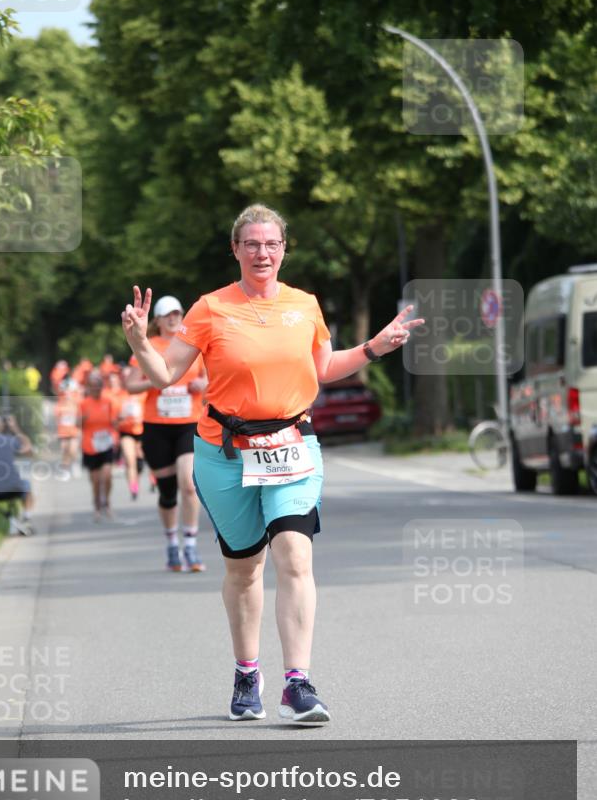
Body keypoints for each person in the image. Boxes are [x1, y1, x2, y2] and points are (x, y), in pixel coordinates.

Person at [121, 204, 423, 725]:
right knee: (244, 570)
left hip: (292, 446)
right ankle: (247, 673)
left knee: (295, 557)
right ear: (235, 250)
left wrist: (375, 347)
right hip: (226, 452)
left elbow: (324, 367)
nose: (263, 253)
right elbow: (164, 376)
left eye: (272, 244)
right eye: (252, 244)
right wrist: (138, 340)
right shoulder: (210, 308)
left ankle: (298, 684)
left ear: (284, 249)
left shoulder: (304, 305)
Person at [125, 296, 208, 572]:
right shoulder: (149, 346)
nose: (173, 318)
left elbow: (213, 380)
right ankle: (172, 545)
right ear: (157, 320)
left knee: (189, 483)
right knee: (168, 492)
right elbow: (130, 385)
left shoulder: (192, 345)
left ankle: (191, 544)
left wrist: (201, 384)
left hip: (189, 423)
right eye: (167, 315)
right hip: (157, 427)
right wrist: (157, 379)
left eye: (177, 313)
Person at [80, 370, 118, 520]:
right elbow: (77, 424)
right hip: (90, 446)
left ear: (102, 387)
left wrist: (117, 424)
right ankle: (96, 505)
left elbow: (114, 422)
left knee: (107, 476)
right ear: (88, 388)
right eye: (92, 386)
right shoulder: (83, 404)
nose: (95, 389)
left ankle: (106, 502)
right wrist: (83, 419)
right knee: (96, 480)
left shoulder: (108, 401)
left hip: (106, 444)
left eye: (98, 386)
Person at [117, 366, 146, 500]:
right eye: (124, 376)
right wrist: (120, 417)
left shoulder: (144, 393)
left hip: (142, 431)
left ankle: (137, 481)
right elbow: (112, 419)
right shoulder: (118, 395)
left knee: (140, 460)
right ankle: (133, 486)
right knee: (130, 459)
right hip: (126, 431)